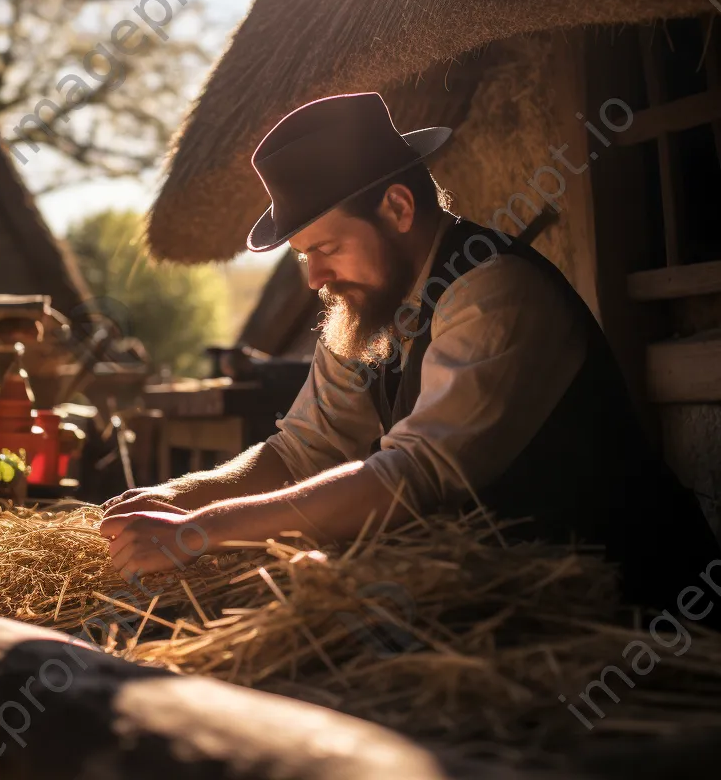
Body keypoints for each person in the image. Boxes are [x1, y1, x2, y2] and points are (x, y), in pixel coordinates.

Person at [101, 92, 720, 615]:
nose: (314, 277)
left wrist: (203, 529)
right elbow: (300, 450)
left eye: (327, 247)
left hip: (630, 617)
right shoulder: (364, 308)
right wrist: (182, 497)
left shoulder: (494, 293)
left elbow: (413, 476)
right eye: (302, 255)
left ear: (397, 207)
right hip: (506, 615)